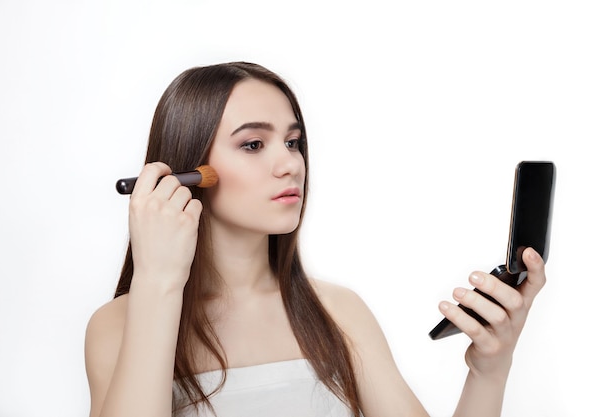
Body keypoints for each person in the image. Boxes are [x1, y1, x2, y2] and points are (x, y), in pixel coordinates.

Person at [84, 62, 547, 417]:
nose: (290, 164)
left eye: (292, 142)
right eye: (252, 144)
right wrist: (158, 282)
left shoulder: (338, 312)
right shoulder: (118, 325)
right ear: (190, 168)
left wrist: (490, 367)